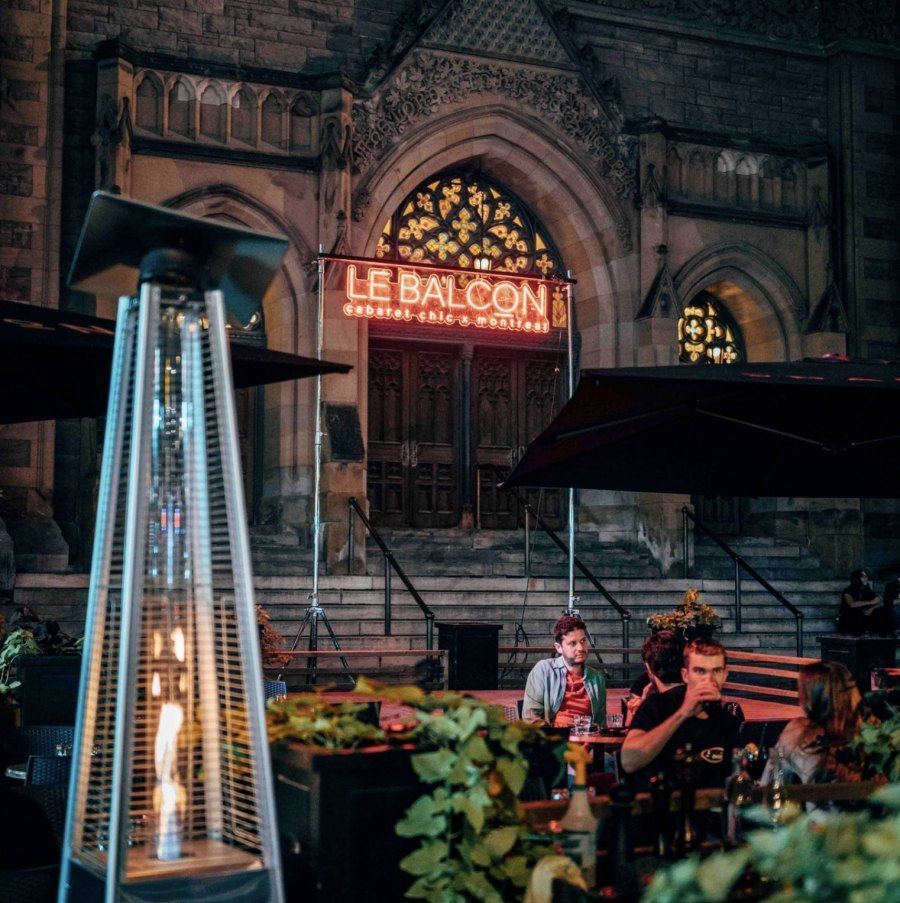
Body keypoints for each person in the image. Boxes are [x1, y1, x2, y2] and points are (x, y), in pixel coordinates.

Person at [620, 637, 744, 788]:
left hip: (709, 807)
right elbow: (628, 762)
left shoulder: (727, 720)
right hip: (663, 806)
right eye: (700, 671)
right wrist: (682, 713)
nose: (708, 679)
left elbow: (736, 776)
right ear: (685, 675)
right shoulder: (658, 705)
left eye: (716, 671)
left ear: (725, 675)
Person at [762, 661, 863, 787]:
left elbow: (769, 785)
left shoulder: (800, 734)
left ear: (809, 699)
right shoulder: (876, 735)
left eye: (801, 691)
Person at [522, 615, 606, 728]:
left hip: (586, 741)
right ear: (558, 647)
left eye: (583, 641)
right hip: (554, 741)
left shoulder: (596, 678)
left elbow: (600, 723)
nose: (581, 648)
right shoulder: (544, 670)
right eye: (573, 643)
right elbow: (531, 718)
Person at [624, 630, 684, 724]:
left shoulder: (652, 703)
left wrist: (641, 706)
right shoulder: (696, 694)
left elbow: (630, 733)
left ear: (648, 666)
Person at [837, 569, 887, 635]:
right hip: (848, 619)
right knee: (856, 612)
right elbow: (852, 604)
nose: (866, 578)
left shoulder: (866, 590)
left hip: (864, 617)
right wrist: (871, 602)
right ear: (857, 578)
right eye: (864, 577)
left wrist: (872, 608)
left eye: (866, 577)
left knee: (880, 611)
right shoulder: (848, 591)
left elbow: (880, 600)